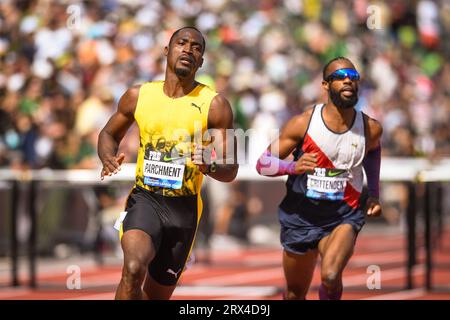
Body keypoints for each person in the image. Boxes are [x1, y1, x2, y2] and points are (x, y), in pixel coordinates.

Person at [97, 27, 238, 300]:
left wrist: (209, 166)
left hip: (184, 209)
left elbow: (230, 169)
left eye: (196, 47)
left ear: (201, 61)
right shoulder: (139, 96)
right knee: (133, 268)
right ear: (167, 51)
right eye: (181, 43)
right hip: (145, 199)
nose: (188, 49)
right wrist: (107, 156)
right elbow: (108, 134)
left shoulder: (215, 105)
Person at [256, 57, 383, 300]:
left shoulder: (370, 128)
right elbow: (262, 164)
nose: (348, 80)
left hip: (343, 214)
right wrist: (292, 167)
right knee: (295, 293)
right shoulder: (303, 124)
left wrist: (374, 193)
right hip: (301, 216)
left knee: (331, 276)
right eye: (341, 76)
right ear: (325, 85)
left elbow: (374, 150)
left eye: (353, 77)